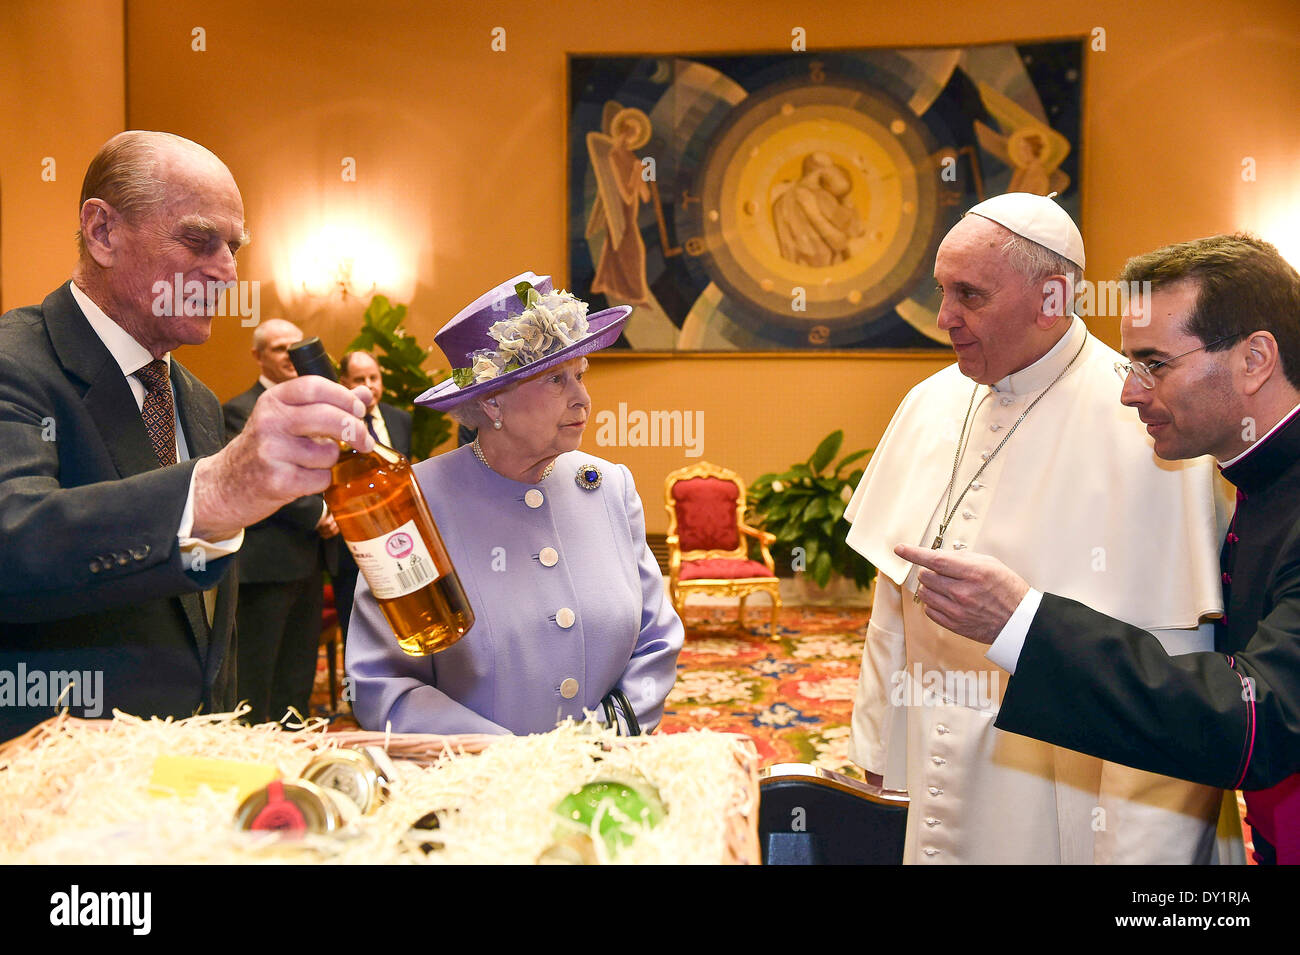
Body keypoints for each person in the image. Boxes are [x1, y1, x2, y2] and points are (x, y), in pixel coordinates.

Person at [842, 193, 1240, 864]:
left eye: (970, 295)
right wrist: (879, 758)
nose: (945, 318)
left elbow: (1169, 684)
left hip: (1068, 803)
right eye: (942, 291)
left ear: (1053, 296)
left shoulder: (1144, 424)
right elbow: (893, 607)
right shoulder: (927, 403)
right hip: (938, 787)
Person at [0, 130, 375, 741]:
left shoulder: (195, 399)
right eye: (199, 240)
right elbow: (12, 540)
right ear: (102, 232)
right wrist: (219, 489)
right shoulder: (16, 360)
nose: (227, 273)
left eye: (233, 246)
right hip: (54, 785)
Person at [345, 272, 683, 735]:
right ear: (492, 403)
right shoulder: (412, 506)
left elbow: (656, 639)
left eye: (581, 375)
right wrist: (511, 763)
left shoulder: (609, 487)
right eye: (555, 380)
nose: (582, 398)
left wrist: (601, 740)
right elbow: (381, 682)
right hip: (479, 788)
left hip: (603, 781)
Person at [223, 319, 342, 724]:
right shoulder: (239, 412)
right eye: (278, 348)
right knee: (257, 677)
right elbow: (261, 478)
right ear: (258, 356)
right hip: (266, 565)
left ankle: (293, 753)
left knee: (297, 676)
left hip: (310, 563)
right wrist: (320, 513)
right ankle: (255, 762)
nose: (290, 356)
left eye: (296, 347)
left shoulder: (318, 409)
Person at [332, 349, 412, 639]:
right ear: (344, 382)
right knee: (358, 630)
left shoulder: (401, 419)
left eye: (373, 377)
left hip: (399, 540)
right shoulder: (333, 426)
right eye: (359, 379)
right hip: (351, 548)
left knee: (401, 624)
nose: (369, 385)